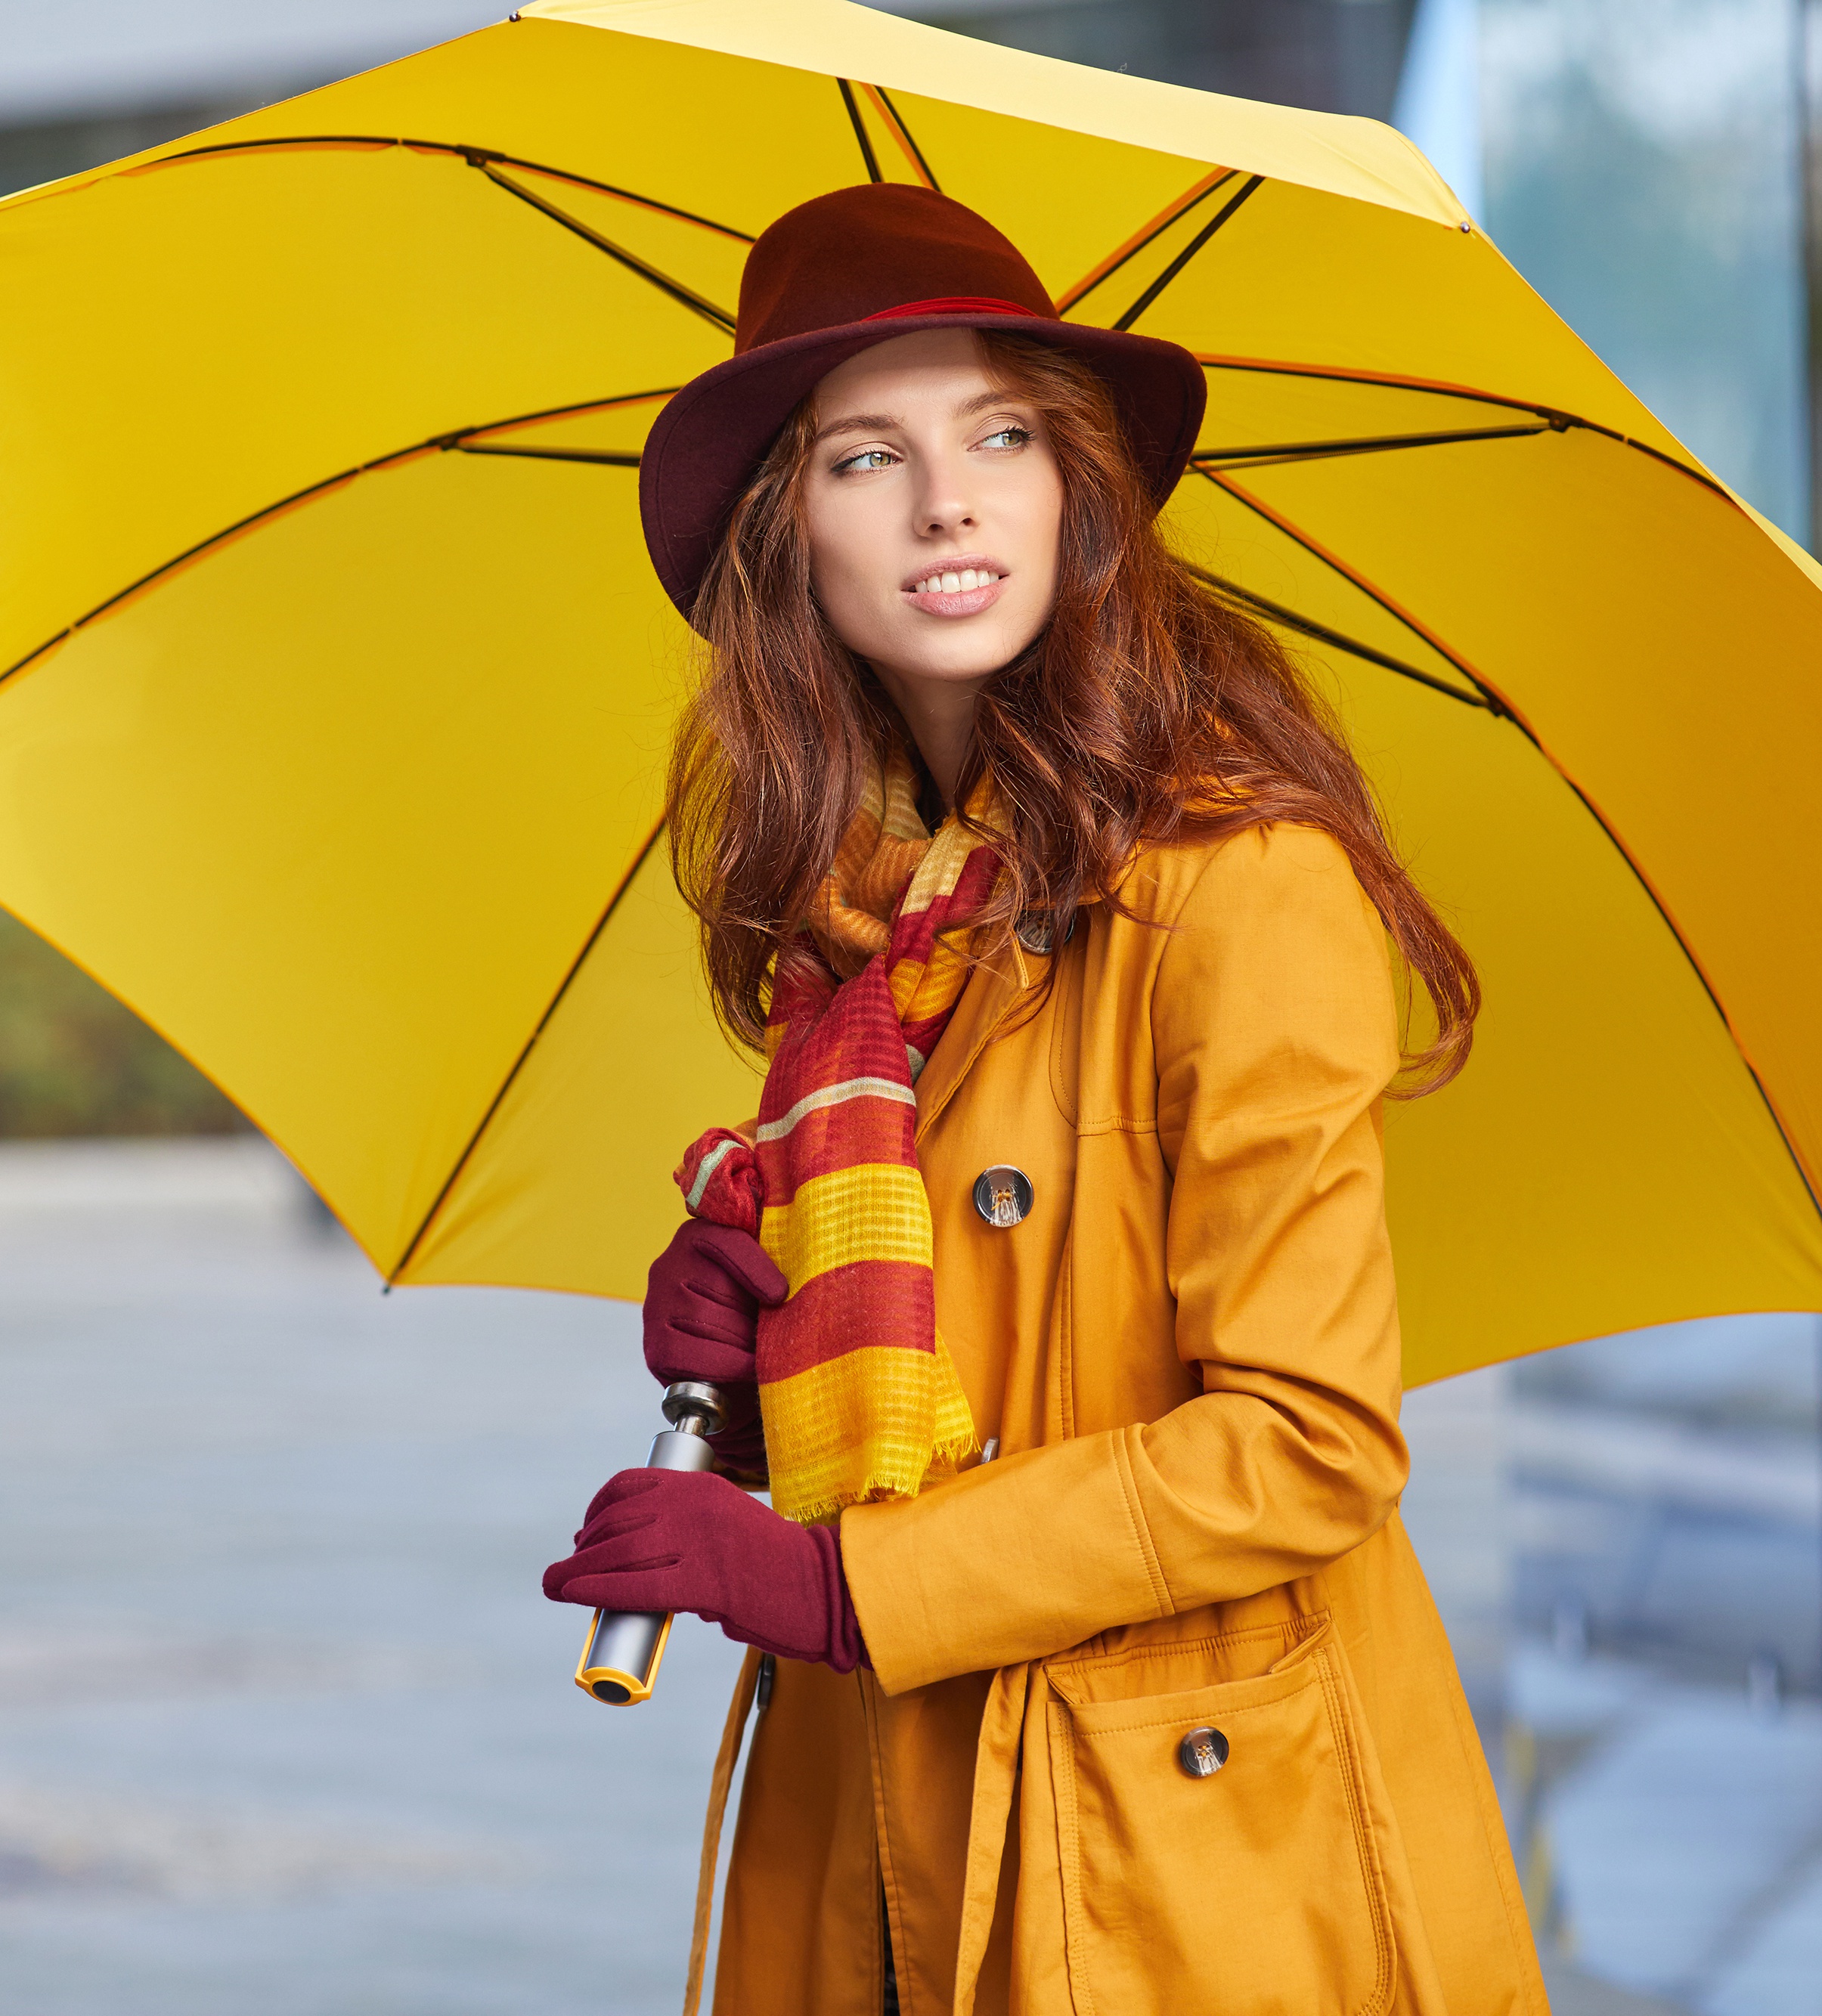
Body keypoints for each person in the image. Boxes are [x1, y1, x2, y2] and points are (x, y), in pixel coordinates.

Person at [540, 184, 1547, 2014]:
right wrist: (756, 1376)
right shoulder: (859, 941)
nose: (948, 501)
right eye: (865, 456)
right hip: (883, 1807)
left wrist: (836, 1587)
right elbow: (970, 1375)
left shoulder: (1237, 879)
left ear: (1077, 490)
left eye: (1000, 433)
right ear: (789, 545)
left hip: (1183, 1856)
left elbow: (1307, 1442)